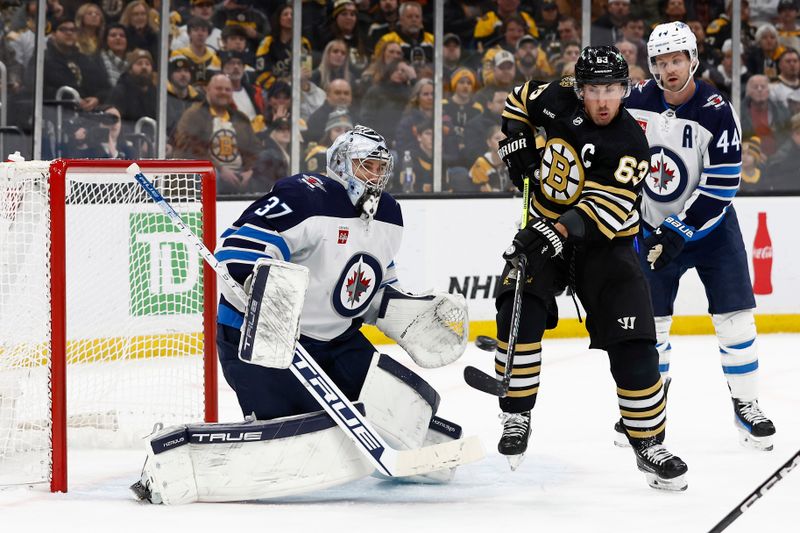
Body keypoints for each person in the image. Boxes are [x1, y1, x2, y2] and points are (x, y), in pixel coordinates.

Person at [130, 125, 468, 504]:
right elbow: (237, 254)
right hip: (259, 339)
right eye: (366, 166)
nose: (375, 176)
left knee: (401, 397)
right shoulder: (305, 195)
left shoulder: (389, 213)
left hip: (335, 342)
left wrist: (400, 310)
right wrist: (261, 289)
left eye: (379, 167)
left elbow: (373, 284)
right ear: (341, 165)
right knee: (290, 429)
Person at [492, 45, 688, 490]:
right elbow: (518, 100)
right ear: (578, 89)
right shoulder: (557, 94)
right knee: (518, 306)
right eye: (594, 89)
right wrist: (516, 140)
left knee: (637, 343)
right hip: (547, 224)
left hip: (606, 245)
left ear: (625, 89)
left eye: (612, 89)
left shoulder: (630, 143)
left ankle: (648, 442)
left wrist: (551, 233)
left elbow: (607, 208)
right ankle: (517, 414)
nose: (603, 100)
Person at [623, 22, 776, 451]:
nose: (669, 69)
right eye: (660, 61)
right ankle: (649, 406)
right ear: (651, 65)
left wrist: (681, 229)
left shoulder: (715, 109)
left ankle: (747, 406)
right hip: (653, 229)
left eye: (676, 60)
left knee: (736, 320)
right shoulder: (635, 102)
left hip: (712, 231)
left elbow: (722, 185)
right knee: (652, 327)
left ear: (692, 59)